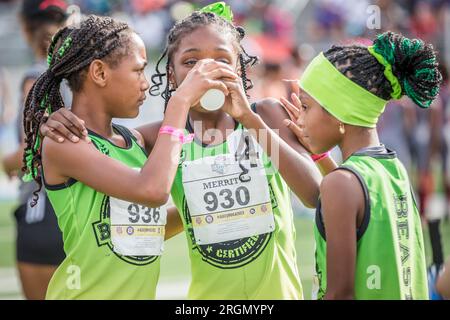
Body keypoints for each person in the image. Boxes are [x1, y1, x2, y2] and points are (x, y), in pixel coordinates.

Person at [39, 3, 337, 299]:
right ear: (172, 76)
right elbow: (140, 196)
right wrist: (53, 118)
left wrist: (249, 119)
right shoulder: (156, 139)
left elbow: (313, 195)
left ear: (238, 67)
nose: (205, 74)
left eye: (221, 59)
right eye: (191, 63)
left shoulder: (265, 118)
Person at [23, 14, 235, 299]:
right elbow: (152, 190)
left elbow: (142, 229)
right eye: (138, 70)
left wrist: (204, 208)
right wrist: (180, 101)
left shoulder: (133, 140)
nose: (145, 83)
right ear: (99, 73)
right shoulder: (65, 143)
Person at [283, 31, 441, 299]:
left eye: (307, 107)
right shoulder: (394, 168)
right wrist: (320, 157)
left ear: (340, 113)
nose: (301, 119)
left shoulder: (340, 184)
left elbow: (340, 294)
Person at [1, 0, 68, 300]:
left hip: (43, 211)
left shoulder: (37, 77)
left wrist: (4, 161)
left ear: (26, 28)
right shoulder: (82, 76)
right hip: (83, 211)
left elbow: (33, 153)